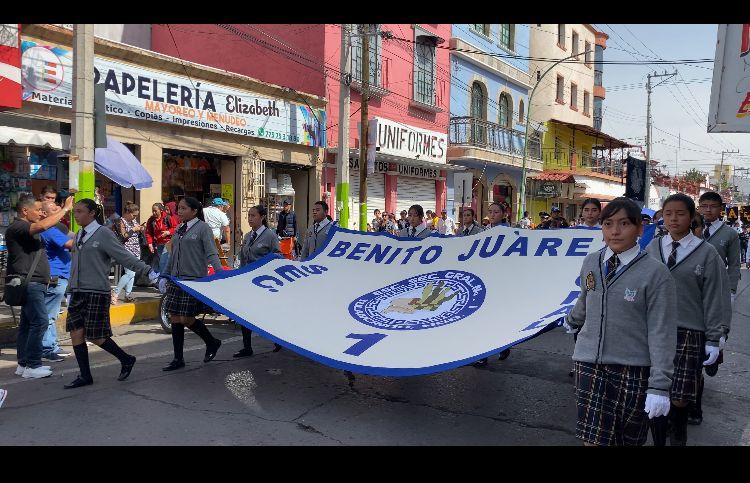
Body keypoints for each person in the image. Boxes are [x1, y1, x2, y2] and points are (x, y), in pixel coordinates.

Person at [564, 197, 677, 446]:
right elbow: (586, 297)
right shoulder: (591, 261)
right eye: (608, 224)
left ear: (639, 228)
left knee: (627, 441)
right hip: (588, 363)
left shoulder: (656, 273)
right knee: (592, 440)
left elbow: (662, 331)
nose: (615, 231)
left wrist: (659, 385)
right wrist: (572, 320)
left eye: (624, 224)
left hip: (633, 367)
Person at [644, 193, 730, 445]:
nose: (673, 218)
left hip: (689, 332)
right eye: (668, 213)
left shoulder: (707, 253)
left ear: (692, 217)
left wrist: (716, 336)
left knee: (680, 396)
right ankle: (660, 439)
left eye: (680, 213)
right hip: (655, 330)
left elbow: (716, 297)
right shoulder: (653, 247)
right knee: (654, 391)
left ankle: (678, 434)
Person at [63, 199, 159, 389]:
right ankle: (85, 375)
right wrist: (69, 288)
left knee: (95, 336)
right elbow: (75, 263)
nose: (76, 214)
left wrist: (148, 271)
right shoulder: (80, 234)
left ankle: (126, 359)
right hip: (77, 290)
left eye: (80, 211)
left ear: (92, 213)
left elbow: (124, 256)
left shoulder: (103, 233)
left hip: (97, 291)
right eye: (75, 211)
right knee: (76, 333)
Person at [7, 194, 74, 379]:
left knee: (28, 324)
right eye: (37, 210)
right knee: (41, 321)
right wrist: (65, 209)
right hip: (30, 283)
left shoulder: (27, 229)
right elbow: (43, 225)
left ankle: (23, 364)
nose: (40, 214)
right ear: (25, 211)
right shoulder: (19, 226)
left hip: (33, 282)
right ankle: (33, 365)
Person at [691, 191, 741, 425]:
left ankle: (714, 354)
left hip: (717, 293)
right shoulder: (691, 227)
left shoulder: (729, 234)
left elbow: (734, 266)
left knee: (712, 333)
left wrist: (730, 292)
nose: (707, 210)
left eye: (712, 206)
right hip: (691, 293)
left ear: (721, 208)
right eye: (704, 206)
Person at [159, 197, 225, 372]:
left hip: (193, 280)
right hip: (176, 279)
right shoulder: (179, 229)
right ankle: (178, 358)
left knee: (187, 318)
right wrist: (164, 275)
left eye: (183, 208)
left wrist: (220, 274)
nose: (179, 212)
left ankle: (211, 342)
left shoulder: (203, 229)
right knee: (174, 318)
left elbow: (211, 254)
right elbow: (171, 253)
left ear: (194, 211)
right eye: (178, 208)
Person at [234, 205, 283, 358]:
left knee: (266, 314)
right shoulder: (248, 236)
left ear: (262, 217)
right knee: (244, 314)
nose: (249, 218)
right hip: (247, 281)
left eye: (253, 215)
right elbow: (243, 258)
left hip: (264, 283)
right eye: (248, 215)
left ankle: (279, 340)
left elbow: (277, 257)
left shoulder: (270, 236)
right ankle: (247, 347)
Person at [39, 200, 75, 362]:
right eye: (54, 209)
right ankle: (47, 349)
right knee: (49, 315)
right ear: (45, 214)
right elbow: (70, 244)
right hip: (56, 278)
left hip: (58, 277)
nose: (59, 210)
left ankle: (52, 345)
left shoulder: (51, 229)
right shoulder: (50, 230)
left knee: (51, 314)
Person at [111, 202, 144, 305]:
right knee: (129, 273)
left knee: (132, 274)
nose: (135, 217)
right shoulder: (121, 221)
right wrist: (134, 229)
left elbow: (136, 232)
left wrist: (140, 229)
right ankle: (115, 293)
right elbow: (124, 236)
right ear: (128, 213)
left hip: (136, 249)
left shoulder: (133, 220)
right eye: (134, 215)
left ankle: (127, 295)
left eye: (136, 216)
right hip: (126, 250)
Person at [145, 203, 175, 274]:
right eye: (153, 211)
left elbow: (176, 228)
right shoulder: (151, 220)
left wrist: (168, 232)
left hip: (168, 243)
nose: (154, 213)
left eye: (155, 211)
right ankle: (163, 279)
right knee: (161, 262)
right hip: (158, 244)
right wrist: (150, 243)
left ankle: (162, 279)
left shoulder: (168, 218)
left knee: (163, 262)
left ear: (161, 210)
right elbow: (148, 232)